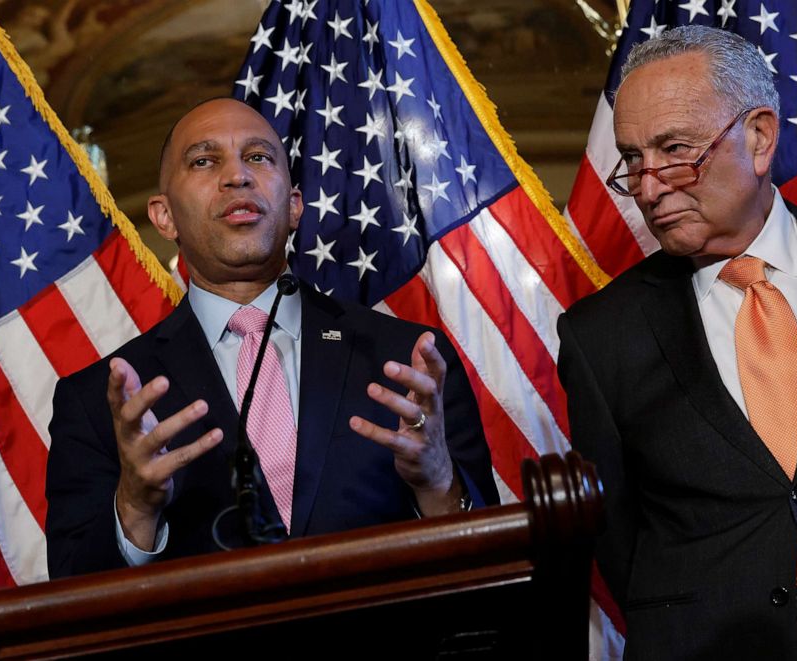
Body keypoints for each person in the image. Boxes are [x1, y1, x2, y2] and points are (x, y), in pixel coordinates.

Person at [557, 25, 797, 661]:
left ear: (758, 137)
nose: (647, 188)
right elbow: (621, 544)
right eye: (634, 160)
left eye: (674, 149)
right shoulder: (599, 335)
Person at [46, 98, 498, 578]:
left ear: (295, 206)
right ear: (163, 217)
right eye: (203, 161)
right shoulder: (97, 400)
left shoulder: (410, 364)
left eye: (259, 157)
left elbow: (494, 574)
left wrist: (438, 485)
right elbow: (74, 602)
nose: (237, 176)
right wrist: (135, 508)